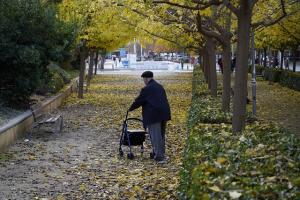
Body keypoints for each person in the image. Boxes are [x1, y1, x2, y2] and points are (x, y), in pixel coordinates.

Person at [128, 71, 171, 162]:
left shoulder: (147, 89)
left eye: (144, 79)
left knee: (155, 136)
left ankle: (159, 157)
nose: (144, 81)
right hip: (164, 113)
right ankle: (160, 153)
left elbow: (139, 101)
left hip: (154, 115)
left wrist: (130, 108)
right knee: (161, 136)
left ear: (146, 78)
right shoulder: (160, 86)